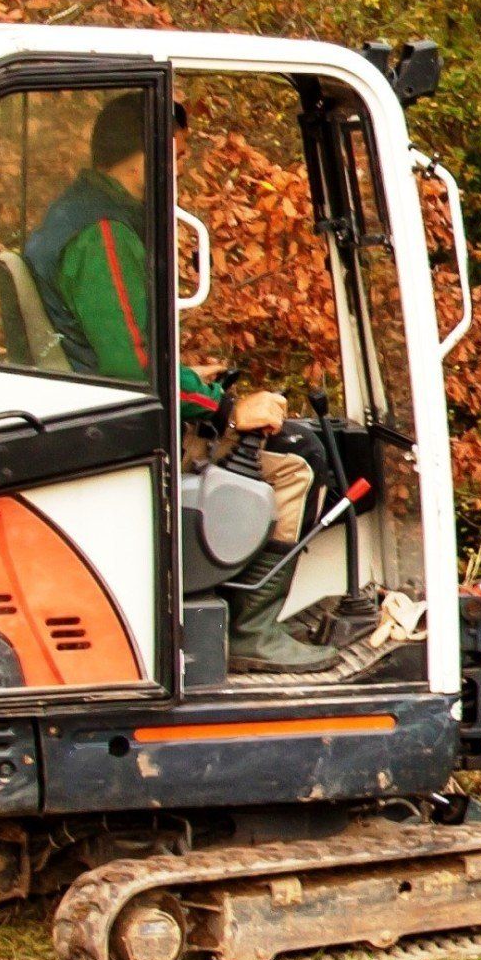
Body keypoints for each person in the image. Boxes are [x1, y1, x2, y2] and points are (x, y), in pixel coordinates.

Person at [24, 94, 340, 673]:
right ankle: (251, 631)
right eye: (179, 156)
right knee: (297, 464)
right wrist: (225, 409)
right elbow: (130, 373)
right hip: (120, 426)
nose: (179, 171)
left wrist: (195, 377)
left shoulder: (79, 213)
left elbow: (119, 347)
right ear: (148, 158)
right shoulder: (105, 235)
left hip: (97, 409)